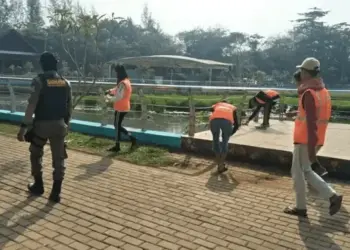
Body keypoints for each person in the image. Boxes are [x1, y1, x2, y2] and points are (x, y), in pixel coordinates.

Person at [284, 57, 343, 217]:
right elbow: (314, 115)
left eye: (301, 71)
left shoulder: (309, 93)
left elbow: (310, 123)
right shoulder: (323, 92)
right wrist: (297, 113)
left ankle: (329, 197)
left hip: (305, 140)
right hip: (316, 138)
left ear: (305, 72)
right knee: (306, 171)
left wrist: (311, 151)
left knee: (300, 173)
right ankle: (307, 204)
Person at [17, 52, 72, 203]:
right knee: (59, 158)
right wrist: (66, 126)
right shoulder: (65, 82)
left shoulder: (39, 81)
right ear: (56, 65)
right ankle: (56, 192)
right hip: (60, 125)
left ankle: (38, 185)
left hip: (41, 125)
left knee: (35, 153)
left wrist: (23, 128)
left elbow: (31, 105)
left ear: (42, 65)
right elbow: (69, 108)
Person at [105, 64, 136, 152]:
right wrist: (110, 91)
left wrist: (109, 99)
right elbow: (117, 89)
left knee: (117, 126)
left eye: (116, 72)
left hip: (120, 107)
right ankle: (129, 139)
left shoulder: (122, 83)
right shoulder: (126, 81)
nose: (116, 75)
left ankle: (121, 143)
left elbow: (119, 96)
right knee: (117, 125)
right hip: (124, 106)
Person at [209, 100, 239, 174]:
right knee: (225, 142)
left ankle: (219, 164)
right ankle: (221, 165)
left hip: (214, 121)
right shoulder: (232, 108)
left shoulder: (216, 105)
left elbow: (212, 111)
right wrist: (231, 133)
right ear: (228, 103)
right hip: (227, 122)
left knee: (215, 142)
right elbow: (237, 124)